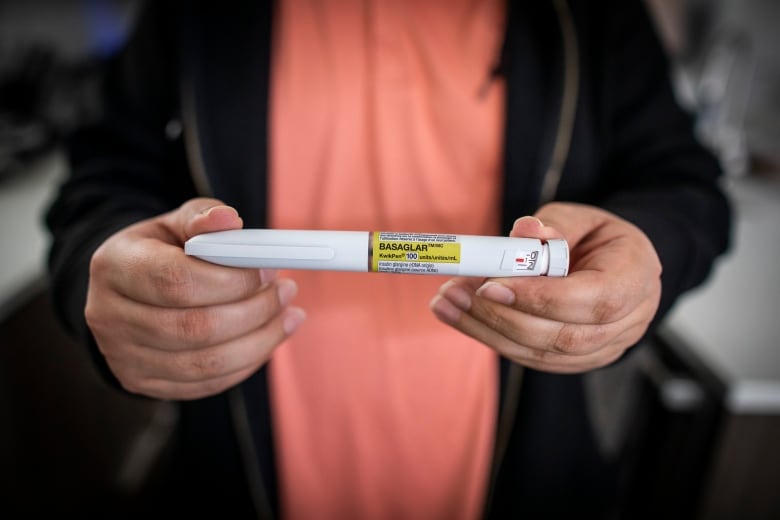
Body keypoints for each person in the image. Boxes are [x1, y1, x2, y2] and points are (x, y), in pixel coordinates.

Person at [45, 0, 732, 518]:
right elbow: (101, 182)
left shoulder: (588, 14)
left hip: (527, 479)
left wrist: (647, 249)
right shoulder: (198, 14)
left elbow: (685, 185)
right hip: (240, 475)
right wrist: (106, 276)